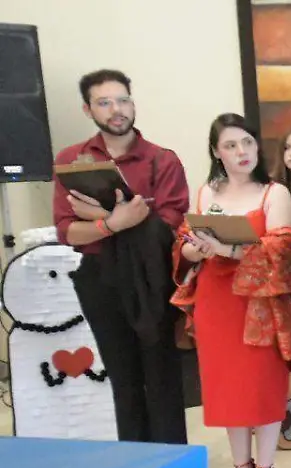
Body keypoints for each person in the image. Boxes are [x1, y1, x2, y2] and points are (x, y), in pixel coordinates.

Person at [172, 113, 291, 468]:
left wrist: (228, 251)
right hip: (216, 301)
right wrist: (193, 249)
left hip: (259, 304)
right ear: (216, 152)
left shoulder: (274, 193)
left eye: (246, 142)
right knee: (227, 388)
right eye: (230, 145)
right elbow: (183, 242)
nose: (241, 152)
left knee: (260, 385)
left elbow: (282, 250)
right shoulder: (206, 192)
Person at [51, 68, 189, 444]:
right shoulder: (72, 159)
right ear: (88, 109)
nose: (117, 110)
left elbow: (168, 227)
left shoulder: (162, 160)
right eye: (105, 102)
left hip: (153, 277)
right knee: (122, 378)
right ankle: (135, 462)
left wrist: (98, 217)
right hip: (99, 277)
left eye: (123, 100)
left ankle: (172, 463)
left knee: (162, 376)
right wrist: (114, 222)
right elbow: (67, 230)